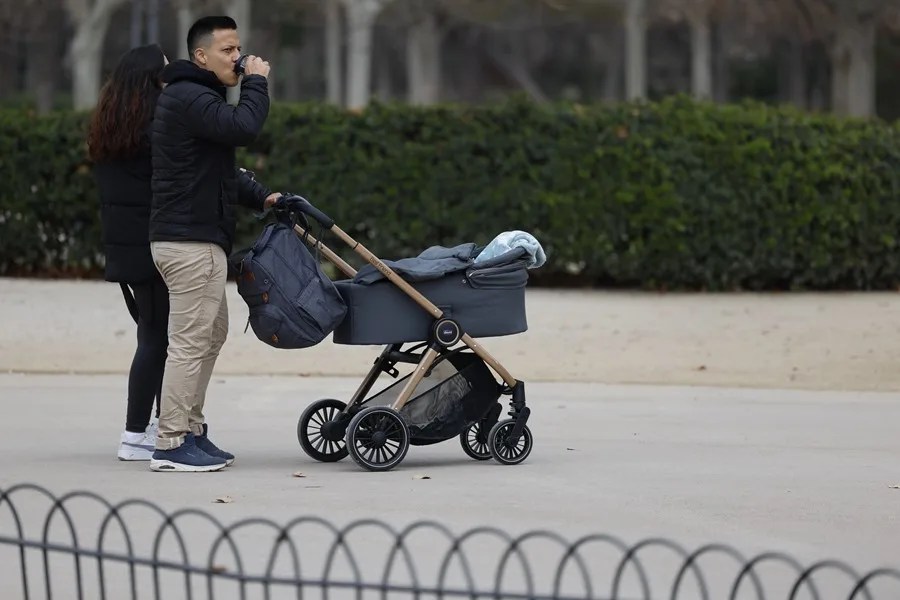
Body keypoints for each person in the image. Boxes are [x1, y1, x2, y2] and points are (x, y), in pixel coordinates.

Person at [148, 16, 280, 472]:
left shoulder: (194, 98)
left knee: (211, 334)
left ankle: (192, 430)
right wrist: (258, 83)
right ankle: (169, 443)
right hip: (189, 242)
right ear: (200, 56)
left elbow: (220, 169)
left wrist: (263, 196)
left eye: (238, 49)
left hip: (196, 240)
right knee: (189, 343)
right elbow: (244, 127)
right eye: (228, 50)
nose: (238, 58)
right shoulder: (189, 97)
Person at [87, 44, 170, 462]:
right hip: (153, 243)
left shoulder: (111, 123)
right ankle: (136, 433)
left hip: (127, 246)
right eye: (166, 73)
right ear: (151, 79)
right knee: (157, 338)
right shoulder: (154, 126)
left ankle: (152, 424)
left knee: (156, 336)